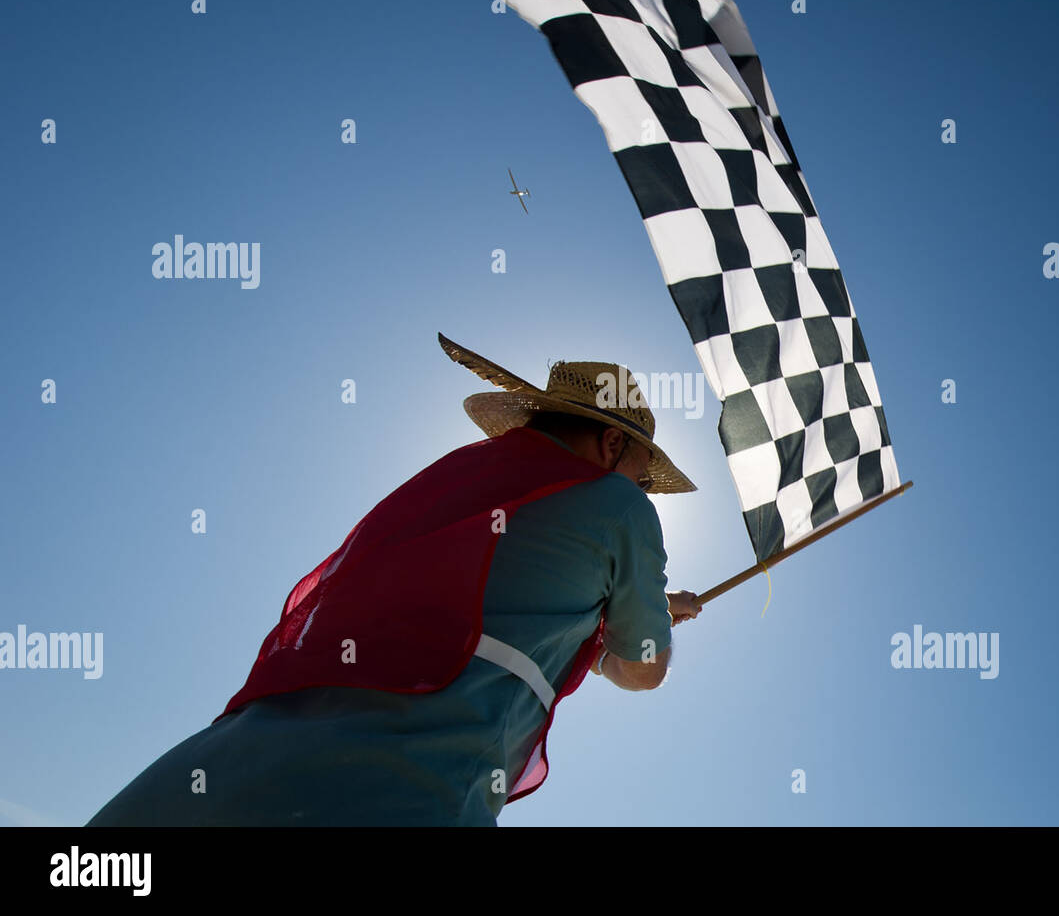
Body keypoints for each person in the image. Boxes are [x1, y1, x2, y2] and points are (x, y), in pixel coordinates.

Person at [86, 335, 702, 826]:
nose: (643, 490)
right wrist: (634, 622)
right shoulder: (619, 505)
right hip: (406, 793)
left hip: (222, 772)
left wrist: (606, 613)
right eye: (643, 476)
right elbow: (641, 668)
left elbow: (507, 600)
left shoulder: (460, 477)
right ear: (613, 442)